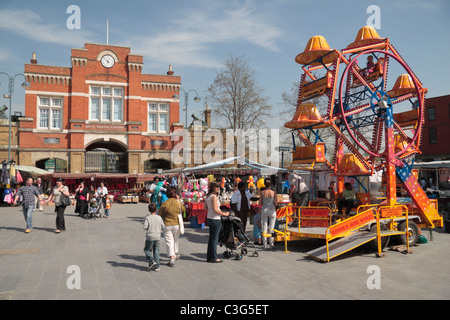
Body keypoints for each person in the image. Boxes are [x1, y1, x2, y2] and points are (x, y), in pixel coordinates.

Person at [205, 182, 230, 263]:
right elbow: (216, 210)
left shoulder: (208, 196)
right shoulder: (214, 197)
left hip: (209, 217)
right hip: (215, 219)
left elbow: (205, 207)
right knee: (214, 238)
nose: (218, 189)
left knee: (211, 238)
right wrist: (224, 214)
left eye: (218, 187)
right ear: (213, 188)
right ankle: (214, 257)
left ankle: (209, 256)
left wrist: (211, 210)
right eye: (216, 187)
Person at [159, 186, 183, 267]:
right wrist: (178, 200)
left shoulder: (164, 203)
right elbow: (183, 209)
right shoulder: (177, 202)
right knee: (175, 240)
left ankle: (171, 258)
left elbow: (160, 215)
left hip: (167, 224)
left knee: (169, 241)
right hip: (176, 224)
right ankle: (176, 253)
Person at [143, 203, 165, 271]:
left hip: (150, 236)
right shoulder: (159, 217)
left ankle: (152, 260)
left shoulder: (148, 218)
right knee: (156, 251)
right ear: (156, 209)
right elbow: (163, 226)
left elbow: (145, 227)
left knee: (147, 250)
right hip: (157, 236)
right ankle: (157, 266)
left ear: (149, 210)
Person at [259, 178, 278, 249]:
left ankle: (264, 244)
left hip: (264, 209)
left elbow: (259, 203)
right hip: (272, 209)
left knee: (264, 226)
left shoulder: (262, 192)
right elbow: (276, 203)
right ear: (270, 184)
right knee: (271, 227)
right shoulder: (273, 192)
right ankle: (271, 244)